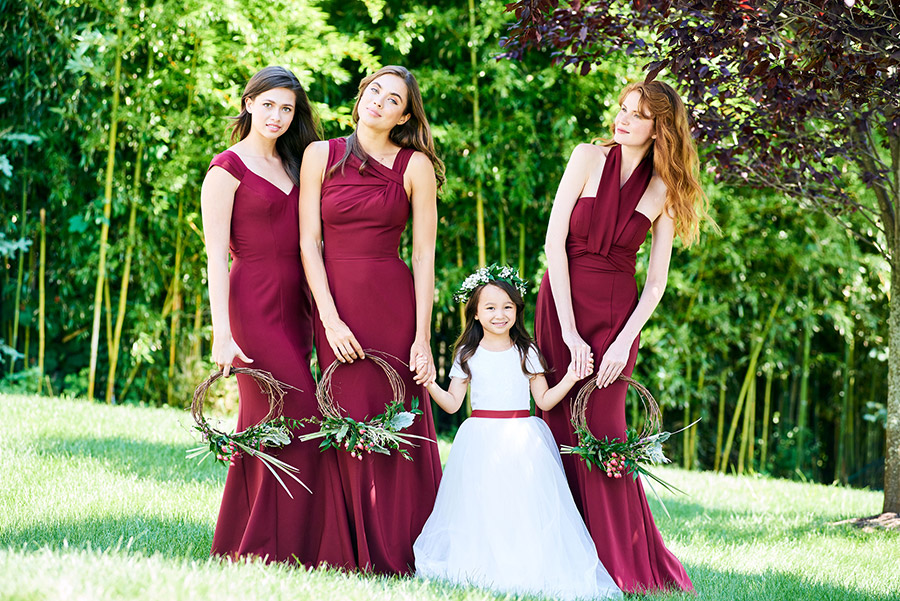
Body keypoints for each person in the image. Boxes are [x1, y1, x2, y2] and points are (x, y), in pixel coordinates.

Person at [534, 80, 705, 593]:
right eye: (623, 110)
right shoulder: (586, 156)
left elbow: (655, 283)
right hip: (561, 306)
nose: (623, 120)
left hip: (616, 319)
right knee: (554, 424)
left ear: (660, 129)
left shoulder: (665, 189)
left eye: (637, 115)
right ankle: (551, 554)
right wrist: (566, 329)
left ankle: (619, 560)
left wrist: (622, 341)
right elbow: (552, 243)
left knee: (604, 434)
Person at [298, 65, 443, 574]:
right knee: (344, 411)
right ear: (362, 96)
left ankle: (401, 545)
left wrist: (422, 339)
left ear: (405, 115)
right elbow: (307, 244)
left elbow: (424, 256)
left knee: (396, 415)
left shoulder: (415, 166)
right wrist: (330, 320)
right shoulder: (320, 155)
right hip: (336, 303)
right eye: (374, 91)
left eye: (393, 98)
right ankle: (346, 545)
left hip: (393, 305)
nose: (379, 102)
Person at [201, 66, 344, 565]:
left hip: (298, 302)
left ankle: (252, 542)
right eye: (268, 105)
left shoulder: (297, 163)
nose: (278, 116)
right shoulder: (226, 169)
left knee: (268, 421)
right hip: (252, 303)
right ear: (248, 103)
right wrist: (222, 334)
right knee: (294, 413)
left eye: (287, 108)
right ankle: (267, 545)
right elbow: (215, 257)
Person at [413, 267, 622, 601]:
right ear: (476, 314)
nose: (500, 314)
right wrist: (428, 383)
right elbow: (452, 404)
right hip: (480, 438)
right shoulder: (467, 355)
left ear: (517, 310)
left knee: (521, 505)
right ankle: (484, 563)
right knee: (483, 504)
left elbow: (544, 399)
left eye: (507, 306)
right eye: (491, 307)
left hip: (523, 436)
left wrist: (569, 377)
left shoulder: (527, 352)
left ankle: (523, 562)